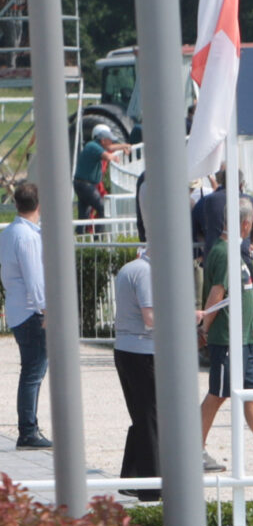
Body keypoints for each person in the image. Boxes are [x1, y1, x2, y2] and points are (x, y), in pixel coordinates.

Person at [198, 195, 253, 472]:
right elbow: (217, 292)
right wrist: (205, 327)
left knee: (250, 393)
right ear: (247, 224)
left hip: (240, 339)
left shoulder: (230, 251)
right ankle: (194, 449)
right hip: (228, 339)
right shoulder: (225, 253)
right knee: (218, 393)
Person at [0, 182, 49, 448]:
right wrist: (46, 309)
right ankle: (28, 430)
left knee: (31, 370)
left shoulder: (10, 233)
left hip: (19, 309)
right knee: (33, 371)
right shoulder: (27, 236)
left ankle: (28, 428)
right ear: (38, 205)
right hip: (31, 311)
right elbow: (35, 279)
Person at [111, 246, 159, 500]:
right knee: (151, 418)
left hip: (126, 350)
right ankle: (150, 487)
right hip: (142, 352)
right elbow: (150, 317)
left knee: (143, 416)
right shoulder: (146, 273)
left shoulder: (130, 268)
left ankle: (131, 477)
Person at [73, 123, 129, 226]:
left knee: (84, 213)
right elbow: (107, 156)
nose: (111, 141)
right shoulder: (94, 147)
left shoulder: (94, 145)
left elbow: (110, 147)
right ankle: (98, 238)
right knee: (102, 208)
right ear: (102, 140)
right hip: (86, 185)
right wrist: (114, 157)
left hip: (82, 184)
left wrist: (124, 146)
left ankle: (81, 236)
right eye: (109, 139)